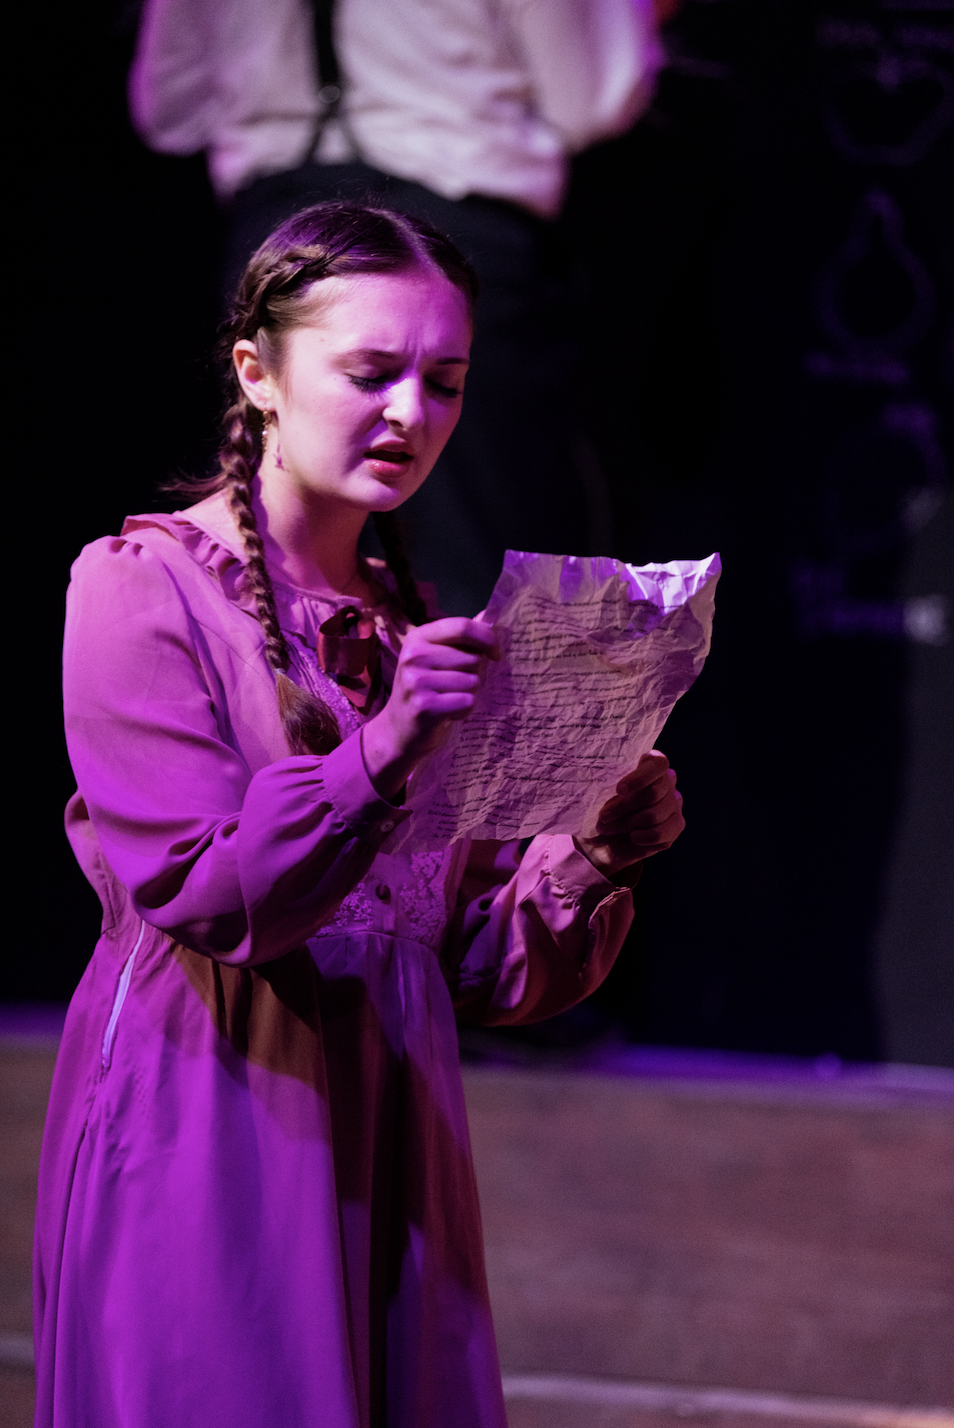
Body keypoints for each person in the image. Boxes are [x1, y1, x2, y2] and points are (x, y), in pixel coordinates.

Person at [34, 203, 685, 1428]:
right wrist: (382, 751)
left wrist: (594, 852)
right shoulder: (142, 588)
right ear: (259, 373)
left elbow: (467, 965)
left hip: (396, 1140)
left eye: (445, 381)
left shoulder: (407, 623)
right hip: (216, 1128)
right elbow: (215, 898)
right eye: (371, 371)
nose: (412, 415)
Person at [129, 0, 667, 612]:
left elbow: (169, 105)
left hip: (282, 232)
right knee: (476, 565)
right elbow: (595, 94)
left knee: (276, 562)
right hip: (455, 225)